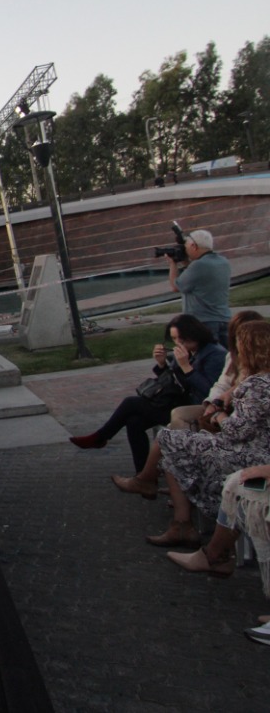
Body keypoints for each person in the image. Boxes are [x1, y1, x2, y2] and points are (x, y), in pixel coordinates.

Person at [116, 321, 270, 547]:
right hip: (247, 446)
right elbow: (181, 384)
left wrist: (218, 415)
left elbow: (238, 430)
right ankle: (179, 522)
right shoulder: (255, 380)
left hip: (251, 454)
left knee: (169, 440)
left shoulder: (255, 383)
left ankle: (151, 488)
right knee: (164, 438)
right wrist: (163, 365)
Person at [68, 314, 226, 472]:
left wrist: (187, 368)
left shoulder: (214, 354)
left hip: (196, 408)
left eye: (181, 339)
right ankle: (143, 474)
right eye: (174, 339)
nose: (178, 343)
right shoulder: (190, 352)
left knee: (131, 403)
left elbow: (210, 391)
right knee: (134, 422)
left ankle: (100, 437)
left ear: (194, 334)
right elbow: (175, 383)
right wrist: (163, 364)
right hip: (177, 401)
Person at [168, 228, 231, 345]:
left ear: (194, 246)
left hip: (203, 322)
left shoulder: (198, 265)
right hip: (224, 318)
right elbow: (197, 277)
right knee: (224, 358)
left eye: (186, 247)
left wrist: (172, 263)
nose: (185, 250)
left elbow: (175, 286)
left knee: (207, 357)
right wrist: (186, 262)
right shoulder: (223, 262)